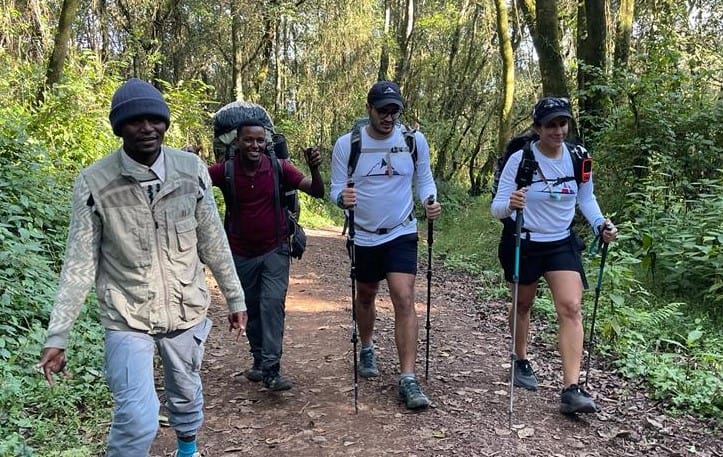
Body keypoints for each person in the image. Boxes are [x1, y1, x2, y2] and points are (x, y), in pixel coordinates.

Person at [37, 78, 248, 457]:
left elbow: (212, 239)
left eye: (155, 119)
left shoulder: (191, 171)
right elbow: (79, 264)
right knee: (138, 417)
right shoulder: (95, 182)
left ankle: (187, 449)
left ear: (165, 122)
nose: (147, 128)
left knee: (185, 389)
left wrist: (235, 297)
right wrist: (58, 335)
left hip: (185, 308)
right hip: (126, 315)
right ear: (119, 127)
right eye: (135, 121)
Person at [490, 96, 619, 414]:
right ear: (537, 128)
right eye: (551, 125)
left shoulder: (579, 157)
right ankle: (520, 359)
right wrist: (511, 205)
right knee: (522, 304)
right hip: (524, 240)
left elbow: (586, 199)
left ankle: (571, 389)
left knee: (572, 307)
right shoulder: (520, 159)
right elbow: (496, 207)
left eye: (563, 123)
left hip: (561, 242)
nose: (558, 130)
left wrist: (600, 224)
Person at [330, 81, 442, 410]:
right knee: (365, 294)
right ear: (369, 110)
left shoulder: (413, 141)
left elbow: (424, 179)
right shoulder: (348, 144)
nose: (389, 117)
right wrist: (341, 198)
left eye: (395, 111)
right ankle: (367, 346)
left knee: (404, 297)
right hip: (363, 233)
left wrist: (429, 200)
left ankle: (408, 378)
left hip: (401, 231)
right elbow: (336, 187)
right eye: (383, 110)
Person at [208, 117, 324, 391]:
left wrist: (315, 169)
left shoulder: (278, 167)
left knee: (271, 304)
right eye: (249, 139)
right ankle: (259, 360)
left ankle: (272, 369)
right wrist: (189, 162)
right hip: (239, 252)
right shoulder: (224, 171)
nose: (255, 145)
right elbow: (194, 183)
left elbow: (316, 192)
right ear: (237, 142)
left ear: (267, 143)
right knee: (249, 308)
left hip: (275, 249)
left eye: (260, 140)